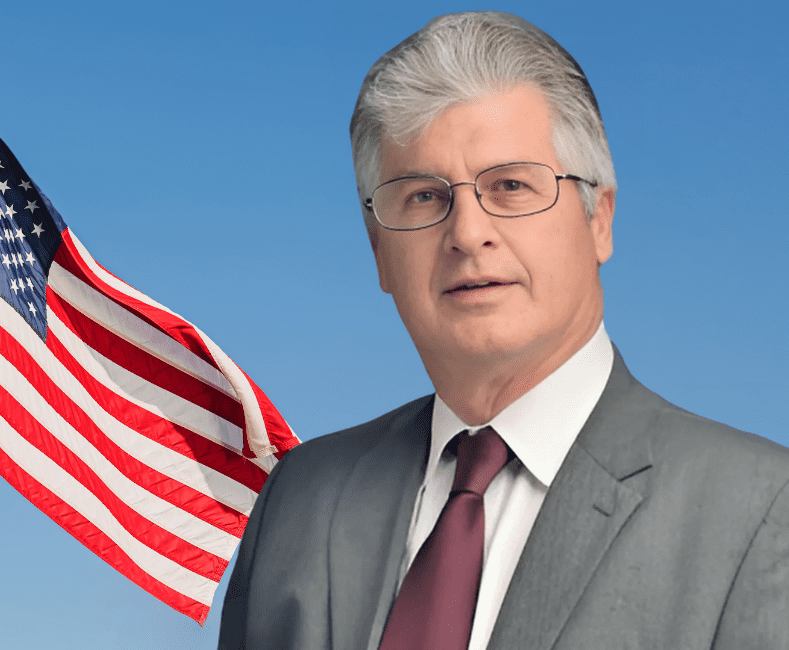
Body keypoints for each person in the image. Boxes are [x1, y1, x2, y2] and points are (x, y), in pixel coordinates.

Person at [217, 11, 789, 650]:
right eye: (425, 197)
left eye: (511, 186)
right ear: (379, 250)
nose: (466, 234)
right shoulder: (301, 499)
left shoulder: (763, 511)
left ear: (598, 217)